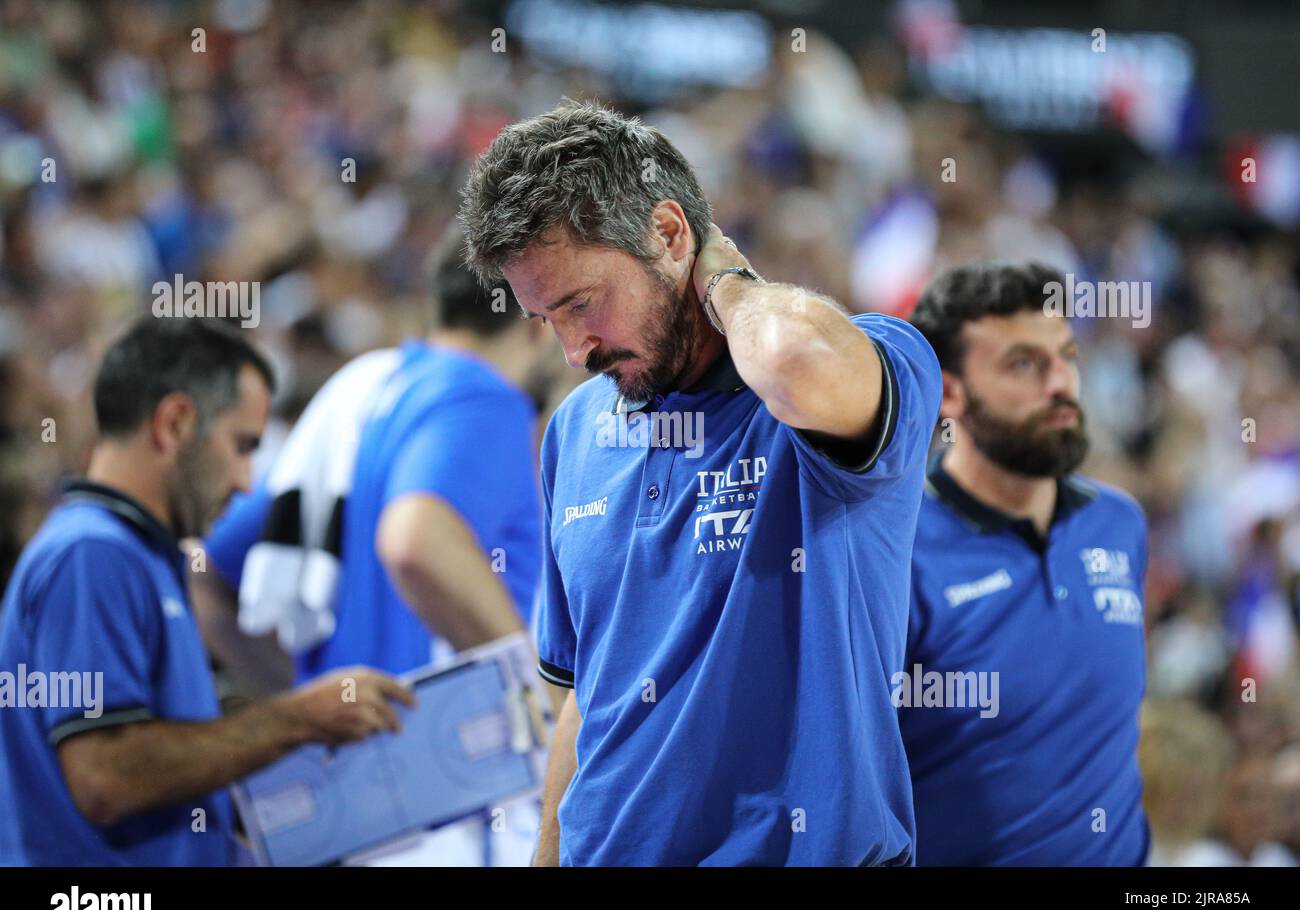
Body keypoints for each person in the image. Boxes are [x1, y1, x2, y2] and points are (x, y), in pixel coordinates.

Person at [459, 100, 942, 866]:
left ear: (669, 233)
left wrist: (725, 282)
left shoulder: (854, 367)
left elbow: (790, 357)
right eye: (546, 318)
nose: (573, 350)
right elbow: (591, 699)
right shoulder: (578, 429)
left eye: (581, 304)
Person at [194, 241, 559, 865]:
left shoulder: (356, 390)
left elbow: (207, 577)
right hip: (452, 814)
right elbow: (414, 538)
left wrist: (311, 702)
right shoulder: (483, 396)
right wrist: (540, 694)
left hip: (342, 810)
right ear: (536, 317)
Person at [0, 317, 413, 866]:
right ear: (174, 424)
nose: (246, 481)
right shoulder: (92, 555)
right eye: (242, 446)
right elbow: (106, 776)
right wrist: (298, 719)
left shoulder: (137, 554)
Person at [903, 261, 1150, 865]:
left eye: (1067, 356)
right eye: (1024, 364)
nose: (1061, 383)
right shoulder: (901, 554)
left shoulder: (1119, 525)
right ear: (949, 391)